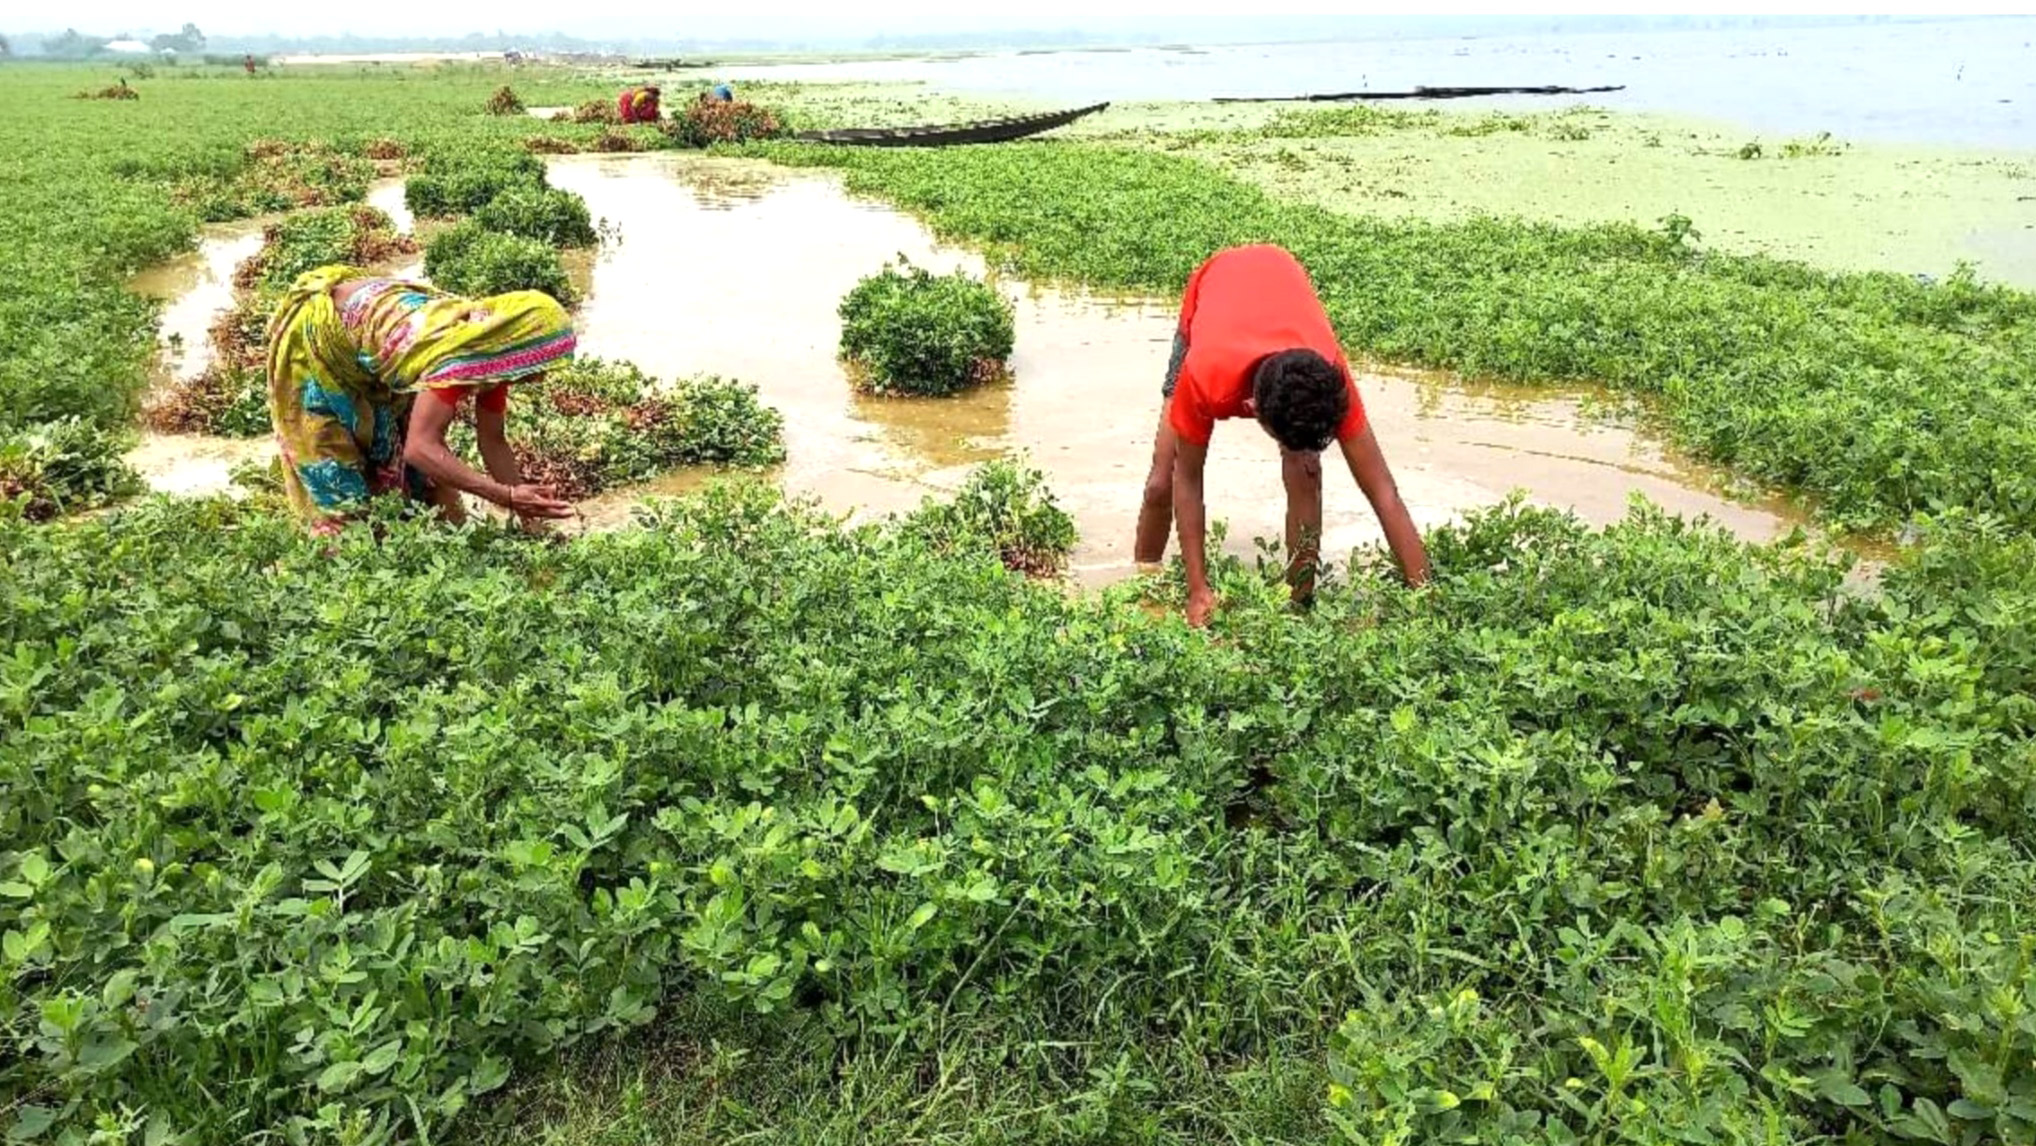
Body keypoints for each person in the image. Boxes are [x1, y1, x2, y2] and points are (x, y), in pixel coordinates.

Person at [1136, 244, 1431, 627]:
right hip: (1213, 292)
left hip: (1281, 279)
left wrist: (1426, 606)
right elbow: (1187, 480)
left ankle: (1300, 600)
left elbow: (1384, 492)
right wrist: (1198, 590)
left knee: (1307, 469)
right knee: (1161, 478)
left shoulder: (1328, 377)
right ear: (1253, 410)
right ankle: (1143, 583)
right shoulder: (1205, 376)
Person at [264, 266, 579, 535]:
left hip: (373, 346)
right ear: (520, 344)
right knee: (339, 490)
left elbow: (492, 439)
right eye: (543, 366)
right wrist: (504, 495)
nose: (539, 378)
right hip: (317, 348)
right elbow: (421, 448)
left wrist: (531, 518)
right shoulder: (453, 359)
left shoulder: (493, 352)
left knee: (419, 482)